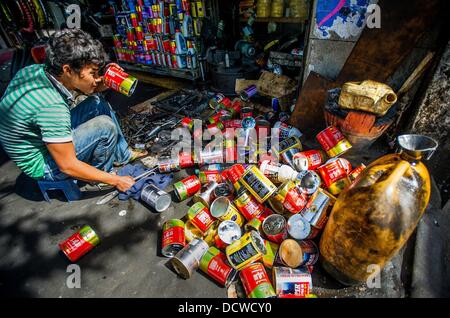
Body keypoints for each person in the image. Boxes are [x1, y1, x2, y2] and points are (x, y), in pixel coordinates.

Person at [0, 29, 147, 193]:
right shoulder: (51, 107)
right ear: (68, 70)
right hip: (43, 165)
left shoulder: (37, 70)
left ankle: (123, 154)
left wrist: (105, 80)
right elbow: (67, 166)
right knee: (105, 127)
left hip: (38, 138)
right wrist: (117, 180)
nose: (97, 77)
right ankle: (104, 174)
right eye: (92, 73)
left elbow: (89, 89)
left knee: (97, 102)